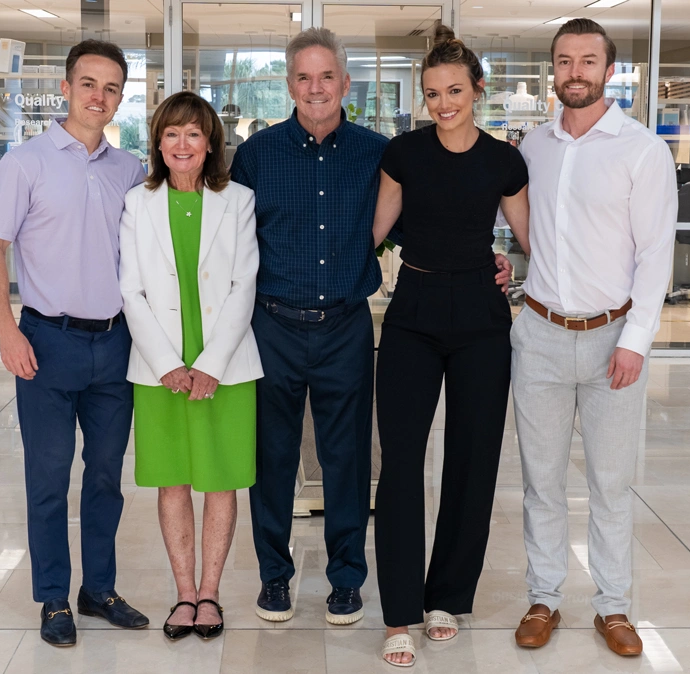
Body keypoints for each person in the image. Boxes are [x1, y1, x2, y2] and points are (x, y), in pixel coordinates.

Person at [496, 18, 677, 657]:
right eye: (565, 60)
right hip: (540, 335)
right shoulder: (532, 148)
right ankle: (544, 597)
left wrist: (637, 340)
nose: (575, 72)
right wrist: (506, 264)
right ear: (553, 69)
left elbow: (655, 255)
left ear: (609, 69)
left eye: (588, 61)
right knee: (541, 481)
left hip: (612, 337)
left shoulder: (641, 150)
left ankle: (614, 606)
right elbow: (527, 232)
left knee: (610, 482)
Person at [0, 40, 149, 646]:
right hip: (47, 341)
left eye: (111, 88)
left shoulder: (130, 170)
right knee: (48, 478)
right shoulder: (25, 163)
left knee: (105, 477)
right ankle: (53, 597)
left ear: (120, 98)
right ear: (66, 88)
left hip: (115, 345)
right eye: (88, 84)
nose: (98, 97)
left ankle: (98, 589)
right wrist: (6, 330)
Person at [371, 25, 530, 667]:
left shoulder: (504, 161)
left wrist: (512, 267)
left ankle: (447, 598)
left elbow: (532, 241)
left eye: (455, 91)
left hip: (481, 318)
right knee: (401, 464)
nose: (444, 104)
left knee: (472, 460)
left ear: (477, 90)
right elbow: (373, 233)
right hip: (412, 312)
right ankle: (399, 613)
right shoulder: (402, 154)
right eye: (433, 93)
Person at [229, 27, 387, 625]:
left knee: (347, 459)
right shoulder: (256, 155)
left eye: (326, 77)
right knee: (271, 458)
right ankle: (275, 577)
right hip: (272, 326)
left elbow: (416, 222)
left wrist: (486, 258)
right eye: (303, 77)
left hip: (346, 326)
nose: (315, 88)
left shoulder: (376, 153)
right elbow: (229, 243)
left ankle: (346, 580)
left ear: (344, 83)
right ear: (289, 85)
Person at [118, 91, 262, 641]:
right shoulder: (137, 203)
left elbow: (243, 284)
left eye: (194, 134)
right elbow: (130, 290)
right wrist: (166, 365)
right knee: (172, 481)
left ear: (210, 144)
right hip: (159, 369)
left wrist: (210, 364)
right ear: (158, 143)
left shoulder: (238, 200)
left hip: (226, 365)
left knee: (221, 482)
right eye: (172, 133)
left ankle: (210, 594)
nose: (183, 144)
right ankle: (183, 594)